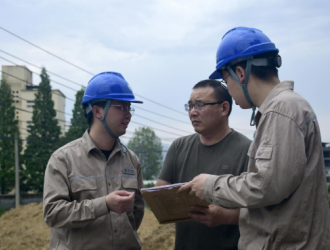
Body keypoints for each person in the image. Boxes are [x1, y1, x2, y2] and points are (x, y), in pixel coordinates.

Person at [179, 27, 330, 249]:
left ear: (240, 73)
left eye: (225, 79)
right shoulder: (284, 108)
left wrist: (210, 185)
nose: (228, 89)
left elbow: (266, 186)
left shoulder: (281, 110)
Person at [43, 72, 145, 250]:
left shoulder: (131, 160)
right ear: (97, 111)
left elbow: (136, 214)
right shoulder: (63, 159)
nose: (128, 114)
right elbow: (53, 213)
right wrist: (103, 205)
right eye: (121, 107)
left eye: (129, 108)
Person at [156, 79, 251, 250]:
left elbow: (261, 212)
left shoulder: (247, 150)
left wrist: (226, 216)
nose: (192, 112)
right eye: (190, 106)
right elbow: (161, 191)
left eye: (200, 105)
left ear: (224, 108)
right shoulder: (179, 147)